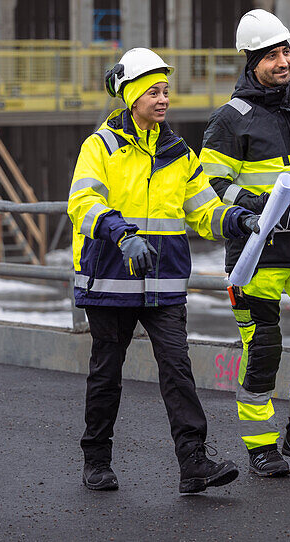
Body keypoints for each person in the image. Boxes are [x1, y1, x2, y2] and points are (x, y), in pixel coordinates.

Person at [67, 46, 260, 494]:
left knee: (178, 370)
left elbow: (203, 211)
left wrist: (237, 221)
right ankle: (96, 459)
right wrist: (120, 233)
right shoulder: (101, 147)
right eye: (153, 91)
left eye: (166, 90)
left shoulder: (178, 153)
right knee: (106, 374)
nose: (162, 98)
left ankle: (194, 465)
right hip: (110, 282)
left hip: (163, 285)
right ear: (131, 97)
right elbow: (83, 203)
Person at [200, 9, 290, 478]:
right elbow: (210, 183)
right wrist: (256, 204)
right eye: (271, 55)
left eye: (286, 51)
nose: (282, 61)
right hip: (257, 255)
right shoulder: (230, 119)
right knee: (263, 347)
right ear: (252, 60)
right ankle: (260, 446)